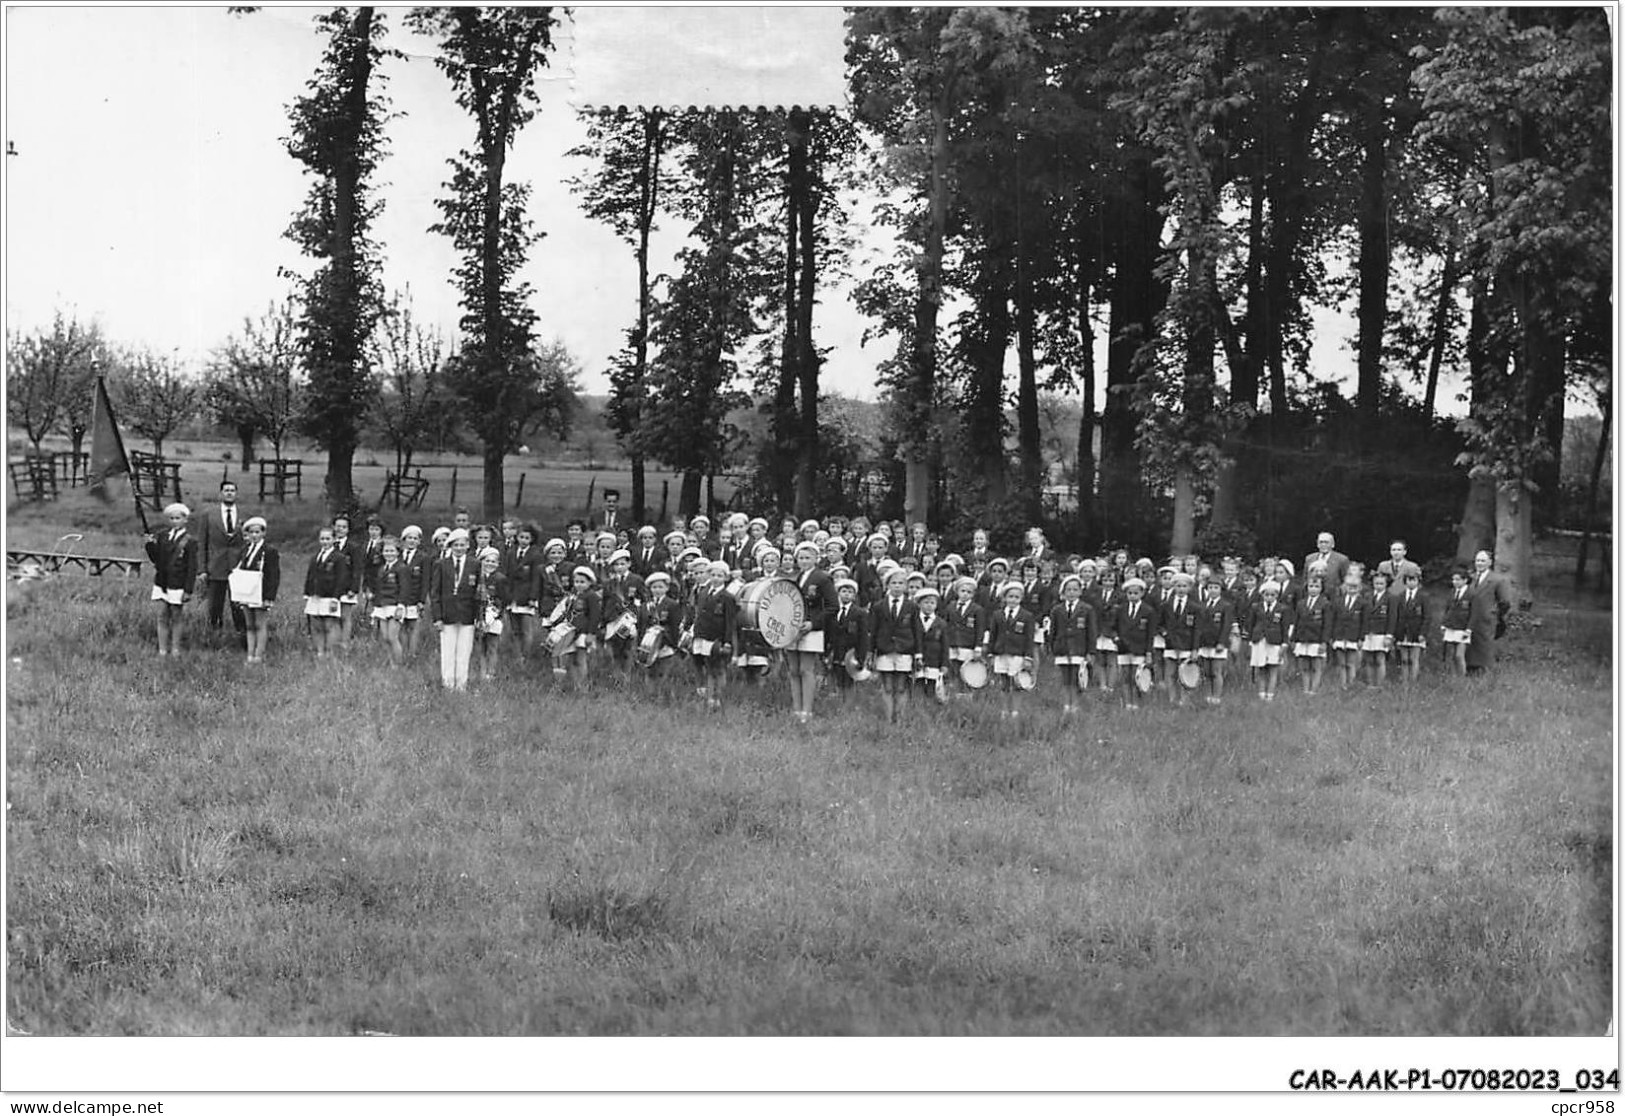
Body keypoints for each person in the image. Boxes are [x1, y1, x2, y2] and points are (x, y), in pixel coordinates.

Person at [788, 541, 837, 723]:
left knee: (805, 669)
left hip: (811, 629)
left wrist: (813, 623)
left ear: (816, 558)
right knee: (793, 670)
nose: (804, 561)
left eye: (808, 557)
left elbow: (833, 606)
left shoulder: (822, 578)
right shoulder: (795, 577)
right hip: (793, 628)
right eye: (801, 557)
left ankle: (807, 712)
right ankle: (796, 709)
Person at [144, 502, 199, 658]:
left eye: (178, 518)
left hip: (178, 584)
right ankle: (162, 650)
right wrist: (149, 545)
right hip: (161, 582)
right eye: (172, 518)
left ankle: (175, 649)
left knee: (176, 616)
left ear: (185, 520)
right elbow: (156, 559)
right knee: (161, 615)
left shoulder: (190, 541)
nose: (175, 521)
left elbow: (192, 567)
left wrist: (188, 589)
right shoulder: (162, 536)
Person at [428, 527, 479, 691]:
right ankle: (448, 684)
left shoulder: (475, 564)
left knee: (464, 652)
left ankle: (461, 685)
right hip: (446, 615)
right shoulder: (441, 564)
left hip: (467, 615)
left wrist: (479, 617)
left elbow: (479, 593)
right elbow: (435, 592)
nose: (459, 548)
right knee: (447, 652)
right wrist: (437, 617)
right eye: (455, 545)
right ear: (450, 546)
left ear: (467, 546)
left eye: (462, 545)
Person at [198, 480, 246, 644]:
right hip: (215, 567)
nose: (229, 493)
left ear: (236, 494)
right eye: (226, 490)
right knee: (215, 607)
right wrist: (202, 569)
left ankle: (242, 639)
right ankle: (214, 639)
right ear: (220, 493)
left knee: (239, 606)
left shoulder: (244, 515)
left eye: (232, 490)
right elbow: (202, 543)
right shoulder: (209, 515)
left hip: (238, 568)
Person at [983, 580, 1037, 720]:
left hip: (1017, 654)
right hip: (1001, 653)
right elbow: (992, 635)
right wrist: (990, 652)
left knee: (1017, 684)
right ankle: (1004, 710)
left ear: (1021, 598)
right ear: (1005, 597)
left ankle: (1015, 711)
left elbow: (1029, 638)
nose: (1013, 600)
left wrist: (1028, 657)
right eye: (1010, 596)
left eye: (1016, 597)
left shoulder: (1027, 616)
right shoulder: (997, 615)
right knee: (1004, 683)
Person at [870, 566, 918, 723]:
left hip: (904, 649)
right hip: (885, 649)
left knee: (901, 686)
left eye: (901, 583)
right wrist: (871, 652)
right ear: (887, 585)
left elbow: (917, 630)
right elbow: (874, 630)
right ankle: (888, 719)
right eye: (894, 583)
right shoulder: (878, 606)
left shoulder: (912, 606)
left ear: (905, 586)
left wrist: (918, 653)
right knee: (888, 686)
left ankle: (901, 719)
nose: (897, 586)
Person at [689, 559, 736, 710]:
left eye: (720, 575)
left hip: (718, 639)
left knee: (719, 668)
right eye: (713, 575)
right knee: (708, 668)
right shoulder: (703, 593)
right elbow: (699, 615)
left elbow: (730, 622)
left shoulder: (728, 597)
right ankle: (710, 698)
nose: (716, 578)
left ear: (726, 578)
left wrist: (727, 642)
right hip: (703, 636)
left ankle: (719, 697)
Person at [232, 515, 278, 665]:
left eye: (257, 532)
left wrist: (269, 596)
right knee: (249, 625)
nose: (254, 535)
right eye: (251, 532)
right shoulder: (245, 550)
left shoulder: (269, 551)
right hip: (247, 591)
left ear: (263, 533)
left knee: (260, 624)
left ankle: (259, 654)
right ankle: (250, 654)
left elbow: (274, 575)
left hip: (261, 592)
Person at [1047, 574, 1095, 715]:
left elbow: (1091, 632)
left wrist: (1091, 651)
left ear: (1080, 591)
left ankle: (1075, 705)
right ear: (1063, 592)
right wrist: (1052, 648)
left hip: (1079, 649)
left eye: (1075, 590)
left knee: (1076, 679)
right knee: (1065, 679)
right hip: (1062, 648)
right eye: (1068, 590)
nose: (1072, 593)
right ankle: (1066, 704)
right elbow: (1053, 631)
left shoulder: (1087, 609)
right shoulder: (1056, 610)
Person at [302, 525, 349, 659]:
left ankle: (330, 652)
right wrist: (307, 592)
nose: (325, 541)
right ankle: (320, 652)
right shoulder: (315, 556)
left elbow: (341, 579)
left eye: (328, 538)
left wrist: (336, 598)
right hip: (315, 595)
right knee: (316, 625)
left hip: (330, 597)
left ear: (334, 539)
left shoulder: (339, 557)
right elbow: (310, 575)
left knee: (330, 625)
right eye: (322, 539)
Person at [1465, 549, 1513, 675]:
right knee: (1470, 644)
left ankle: (1485, 671)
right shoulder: (1471, 578)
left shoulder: (1497, 580)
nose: (1479, 563)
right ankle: (1470, 669)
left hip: (1487, 618)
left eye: (1482, 561)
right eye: (1477, 560)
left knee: (1485, 645)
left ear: (1489, 562)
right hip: (1470, 617)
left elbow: (1505, 602)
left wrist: (1495, 613)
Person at [824, 577, 870, 704]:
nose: (847, 594)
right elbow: (827, 633)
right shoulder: (832, 611)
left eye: (850, 592)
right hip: (834, 652)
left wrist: (861, 657)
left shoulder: (859, 613)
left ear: (854, 596)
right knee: (835, 678)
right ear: (838, 593)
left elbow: (863, 637)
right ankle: (837, 705)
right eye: (844, 591)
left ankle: (848, 707)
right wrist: (825, 652)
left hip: (851, 653)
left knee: (848, 681)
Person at [1247, 580, 1293, 702]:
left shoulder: (1282, 609)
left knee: (1273, 668)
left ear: (1277, 595)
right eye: (1266, 595)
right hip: (1260, 641)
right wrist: (1251, 639)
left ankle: (1270, 694)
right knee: (1261, 668)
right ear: (1262, 595)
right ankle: (1261, 693)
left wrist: (1284, 643)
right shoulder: (1256, 607)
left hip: (1275, 642)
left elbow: (1285, 627)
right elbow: (1251, 624)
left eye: (1272, 595)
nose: (1269, 598)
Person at [1194, 577, 1235, 705]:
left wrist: (1222, 642)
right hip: (1205, 643)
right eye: (1210, 587)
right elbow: (1198, 625)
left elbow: (1226, 625)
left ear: (1221, 590)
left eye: (1216, 588)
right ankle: (1208, 696)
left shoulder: (1226, 606)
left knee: (1216, 671)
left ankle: (1217, 697)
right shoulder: (1202, 605)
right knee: (1206, 671)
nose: (1213, 590)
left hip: (1218, 643)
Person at [1159, 571, 1198, 706]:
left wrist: (1194, 649)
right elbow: (1160, 624)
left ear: (1189, 588)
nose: (1181, 589)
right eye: (1178, 586)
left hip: (1186, 645)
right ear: (1173, 587)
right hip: (1170, 644)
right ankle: (1172, 699)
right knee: (1170, 673)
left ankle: (1184, 700)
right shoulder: (1166, 605)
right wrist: (1165, 635)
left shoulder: (1195, 607)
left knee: (1185, 674)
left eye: (1184, 586)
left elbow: (1197, 630)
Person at [1328, 568, 1369, 689]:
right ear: (1345, 587)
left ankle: (1351, 684)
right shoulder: (1338, 601)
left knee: (1351, 663)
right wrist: (1332, 636)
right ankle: (1343, 685)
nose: (1352, 589)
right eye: (1349, 587)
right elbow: (1333, 620)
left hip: (1354, 636)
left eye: (1355, 587)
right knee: (1341, 663)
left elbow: (1365, 622)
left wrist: (1361, 638)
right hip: (1339, 635)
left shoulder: (1363, 603)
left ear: (1359, 588)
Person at [472, 546, 508, 682]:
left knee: (492, 646)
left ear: (498, 564)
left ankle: (490, 674)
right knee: (480, 646)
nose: (490, 564)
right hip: (478, 617)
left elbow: (504, 599)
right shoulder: (476, 578)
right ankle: (481, 672)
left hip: (494, 618)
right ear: (481, 561)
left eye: (493, 562)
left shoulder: (500, 579)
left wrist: (493, 615)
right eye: (487, 561)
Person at [1293, 572, 1331, 694]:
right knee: (1304, 666)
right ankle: (1305, 689)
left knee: (1316, 666)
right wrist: (1294, 639)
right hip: (1303, 638)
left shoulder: (1325, 603)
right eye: (1311, 586)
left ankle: (1313, 691)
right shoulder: (1301, 603)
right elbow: (1296, 622)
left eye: (1316, 587)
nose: (1313, 589)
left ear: (1321, 588)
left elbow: (1327, 624)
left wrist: (1324, 642)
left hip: (1317, 639)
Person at [912, 585, 950, 706]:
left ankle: (931, 707)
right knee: (918, 683)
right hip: (918, 658)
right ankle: (918, 707)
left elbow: (945, 645)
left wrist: (944, 663)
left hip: (935, 659)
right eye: (926, 602)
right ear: (919, 604)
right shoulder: (914, 620)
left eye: (932, 603)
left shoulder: (941, 623)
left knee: (932, 686)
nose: (929, 605)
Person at [398, 526, 430, 659]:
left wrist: (421, 600)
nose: (412, 541)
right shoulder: (397, 555)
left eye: (415, 538)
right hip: (399, 598)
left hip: (414, 598)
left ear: (419, 541)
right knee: (401, 627)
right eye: (409, 538)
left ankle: (412, 655)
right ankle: (403, 654)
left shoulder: (423, 558)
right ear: (404, 540)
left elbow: (425, 580)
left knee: (413, 627)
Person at [1392, 570, 1428, 685]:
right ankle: (1404, 680)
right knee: (1404, 659)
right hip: (1402, 632)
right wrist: (1395, 632)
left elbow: (1427, 617)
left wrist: (1423, 633)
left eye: (1414, 580)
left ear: (1418, 582)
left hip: (1416, 632)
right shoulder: (1400, 597)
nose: (1411, 583)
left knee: (1413, 658)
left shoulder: (1423, 597)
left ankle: (1413, 681)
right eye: (1409, 580)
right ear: (1405, 581)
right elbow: (1396, 616)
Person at [1362, 569, 1396, 686]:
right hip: (1368, 632)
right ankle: (1371, 684)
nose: (1378, 586)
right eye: (1376, 583)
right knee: (1369, 659)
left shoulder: (1391, 598)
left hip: (1382, 633)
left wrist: (1389, 635)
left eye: (1381, 583)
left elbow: (1392, 617)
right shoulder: (1367, 596)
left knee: (1380, 659)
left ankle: (1380, 684)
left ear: (1386, 584)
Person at [1440, 566, 1473, 676]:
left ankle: (1462, 677)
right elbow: (1447, 609)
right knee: (1451, 655)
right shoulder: (1451, 592)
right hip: (1450, 626)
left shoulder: (1471, 594)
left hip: (1463, 628)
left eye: (1458, 579)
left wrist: (1469, 629)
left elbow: (1474, 613)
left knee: (1459, 655)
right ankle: (1453, 678)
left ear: (1465, 580)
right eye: (1453, 579)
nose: (1455, 582)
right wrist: (1444, 624)